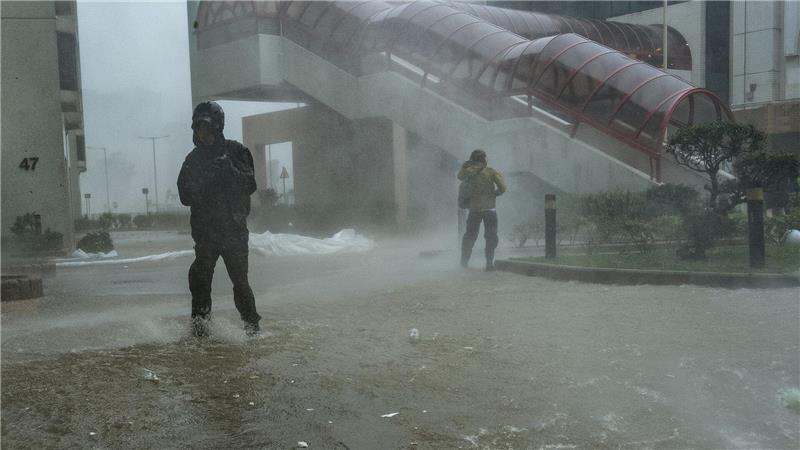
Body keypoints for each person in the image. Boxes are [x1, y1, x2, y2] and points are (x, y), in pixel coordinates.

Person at [178, 101, 261, 337]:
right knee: (199, 281)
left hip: (233, 232)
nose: (201, 134)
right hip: (206, 233)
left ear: (217, 127)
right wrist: (206, 177)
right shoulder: (193, 160)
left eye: (205, 127)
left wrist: (228, 170)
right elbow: (185, 195)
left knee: (240, 283)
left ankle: (252, 329)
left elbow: (250, 184)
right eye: (197, 128)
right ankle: (200, 331)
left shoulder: (237, 152)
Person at [458, 149, 507, 271]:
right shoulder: (491, 172)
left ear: (472, 159)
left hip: (474, 210)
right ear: (485, 160)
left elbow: (460, 176)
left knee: (469, 236)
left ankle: (464, 263)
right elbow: (503, 187)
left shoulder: (468, 171)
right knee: (491, 237)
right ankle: (489, 264)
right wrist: (494, 194)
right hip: (490, 210)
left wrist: (466, 165)